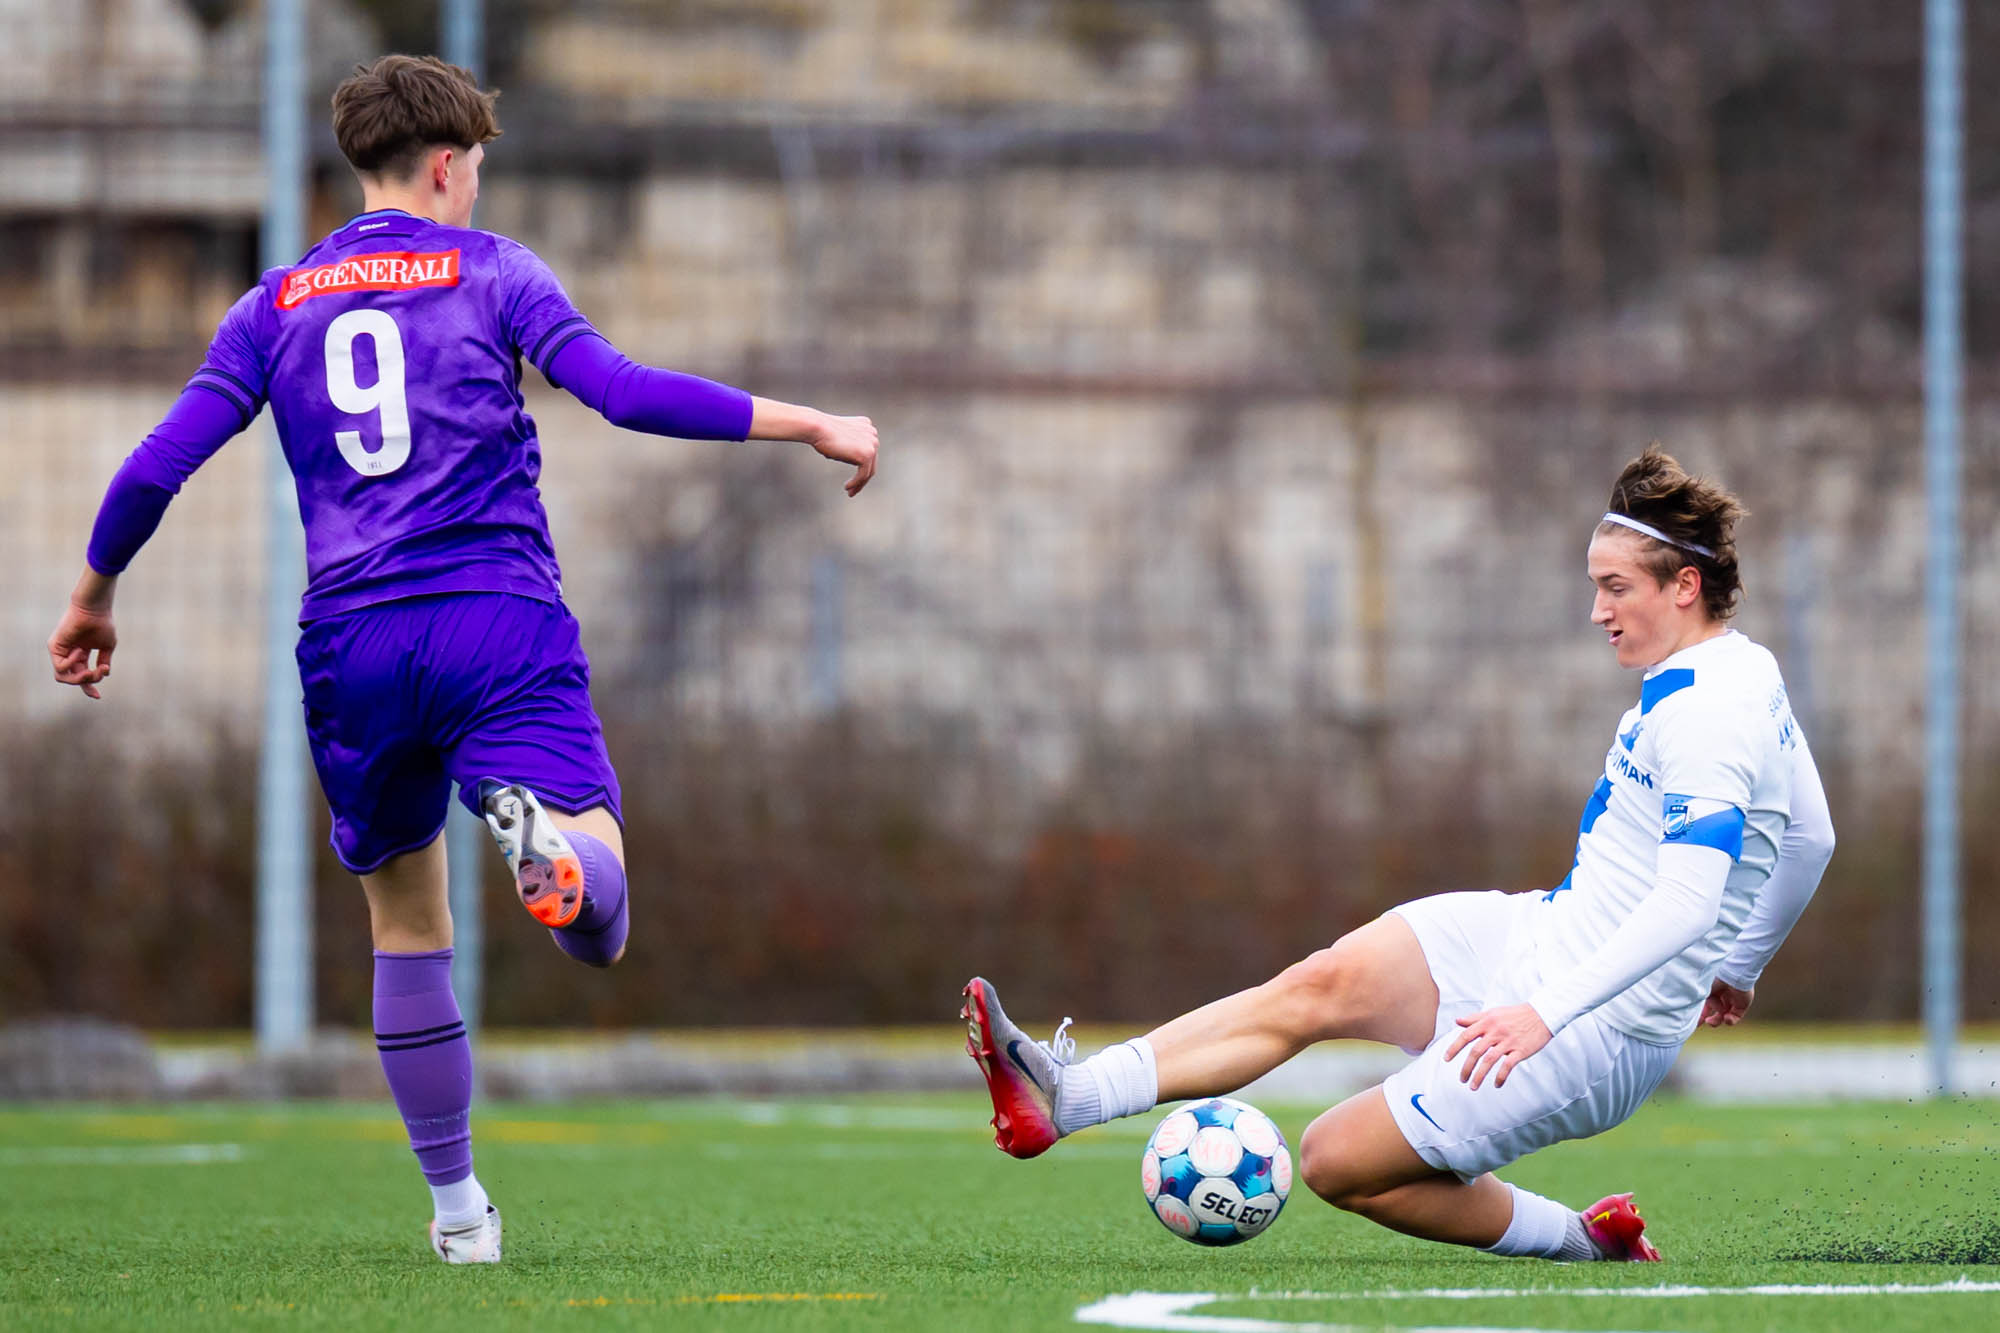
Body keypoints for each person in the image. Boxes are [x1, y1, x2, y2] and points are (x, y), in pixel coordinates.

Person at [47, 55, 878, 1264]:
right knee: (598, 921)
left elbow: (154, 466)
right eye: (477, 166)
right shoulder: (494, 272)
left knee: (405, 926)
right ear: (447, 164)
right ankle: (553, 850)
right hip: (494, 617)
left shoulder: (270, 306)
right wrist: (807, 421)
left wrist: (93, 595)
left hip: (351, 644)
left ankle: (458, 1213)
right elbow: (621, 392)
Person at [963, 445, 1834, 1262]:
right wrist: (1740, 965)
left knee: (1334, 1160)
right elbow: (1811, 835)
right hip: (1542, 932)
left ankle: (1581, 1238)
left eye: (1615, 588)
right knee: (1320, 982)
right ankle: (1070, 1096)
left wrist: (1544, 1013)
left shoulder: (1708, 715)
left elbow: (1687, 903)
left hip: (1594, 1030)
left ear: (1685, 586)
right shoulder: (1745, 671)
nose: (1596, 611)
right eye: (1594, 585)